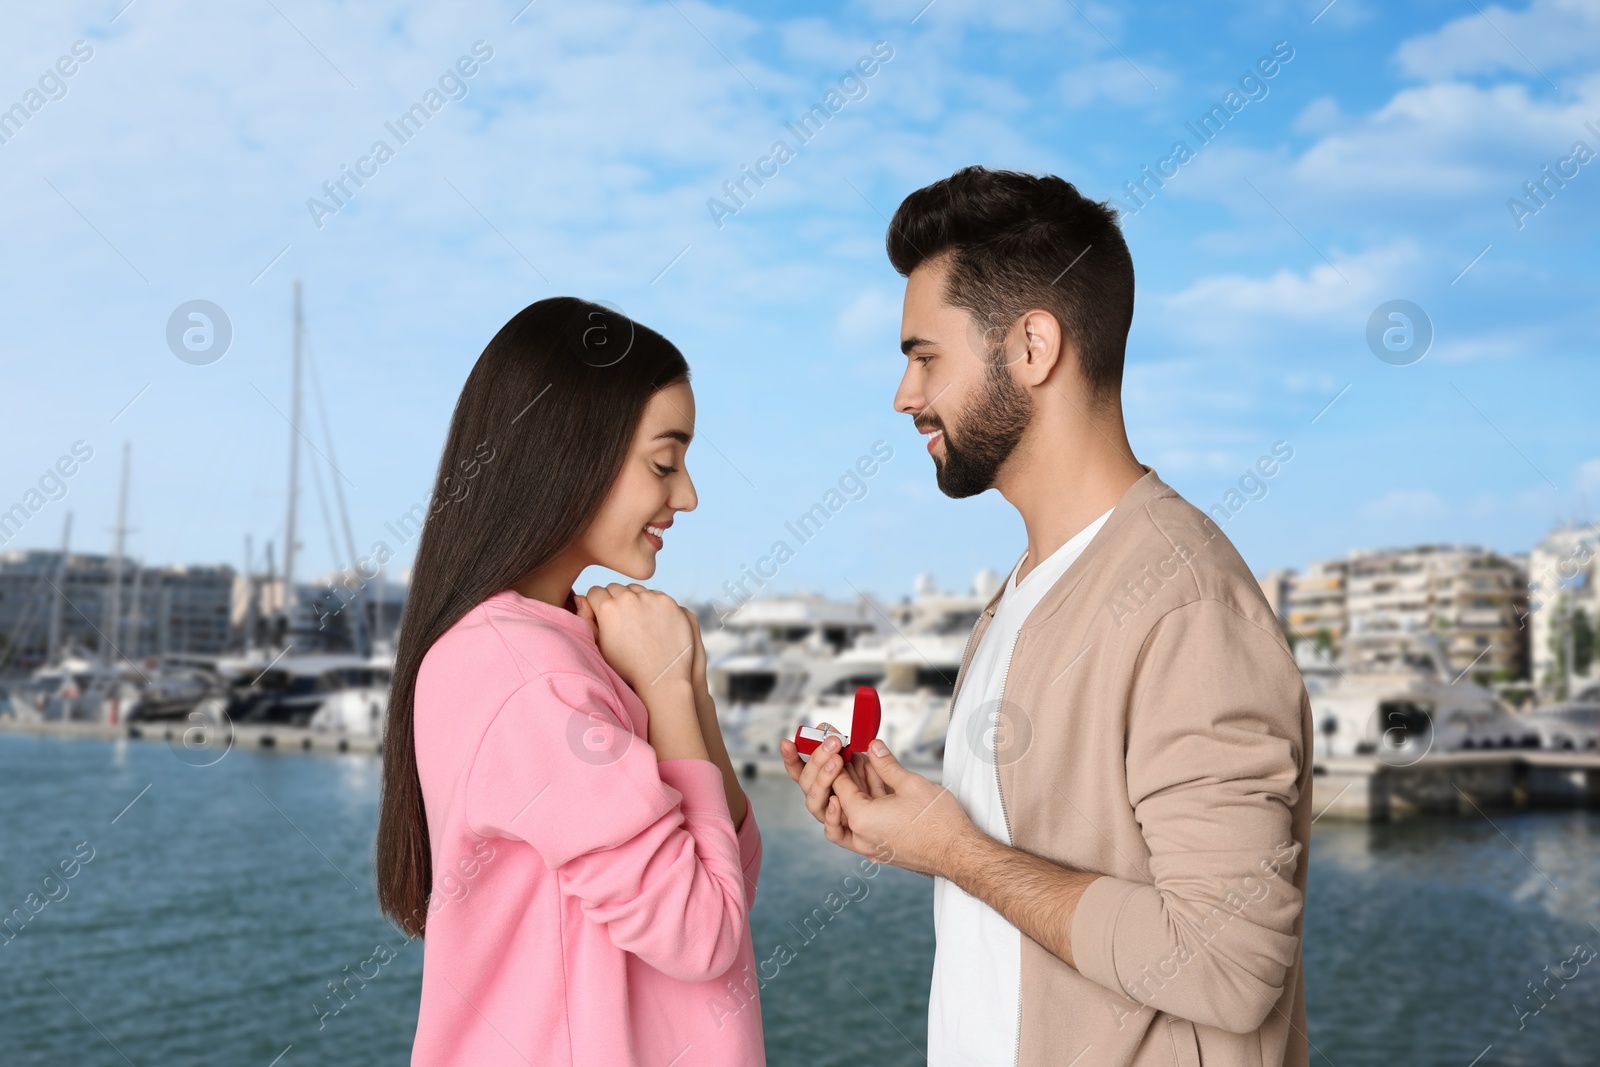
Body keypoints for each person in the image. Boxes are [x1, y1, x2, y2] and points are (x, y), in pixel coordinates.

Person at [782, 167, 1314, 1067]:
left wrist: (959, 852)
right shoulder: (1022, 590)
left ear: (1032, 346)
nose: (905, 397)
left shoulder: (1185, 603)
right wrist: (915, 826)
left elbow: (1229, 961)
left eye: (924, 356)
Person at [377, 297, 763, 1067]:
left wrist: (683, 684)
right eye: (664, 462)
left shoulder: (555, 645)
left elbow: (732, 872)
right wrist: (664, 683)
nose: (685, 495)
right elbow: (707, 932)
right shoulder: (529, 677)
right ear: (569, 452)